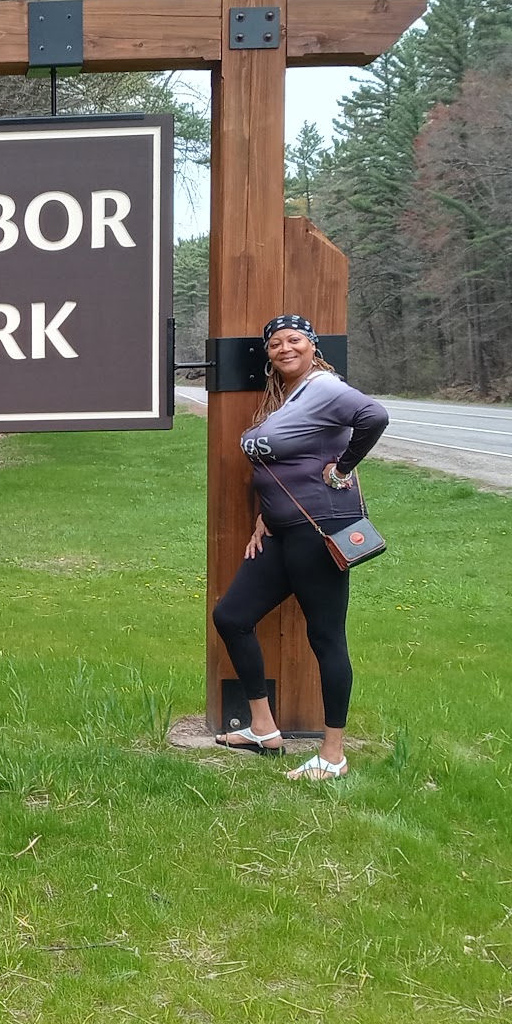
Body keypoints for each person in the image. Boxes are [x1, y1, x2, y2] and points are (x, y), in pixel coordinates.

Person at [210, 314, 388, 780]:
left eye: (294, 340)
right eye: (275, 344)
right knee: (232, 616)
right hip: (283, 530)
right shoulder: (294, 398)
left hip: (319, 529)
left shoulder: (324, 387)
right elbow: (288, 465)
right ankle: (263, 730)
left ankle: (333, 755)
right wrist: (264, 516)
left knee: (325, 636)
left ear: (313, 346)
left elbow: (374, 417)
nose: (284, 348)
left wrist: (343, 468)